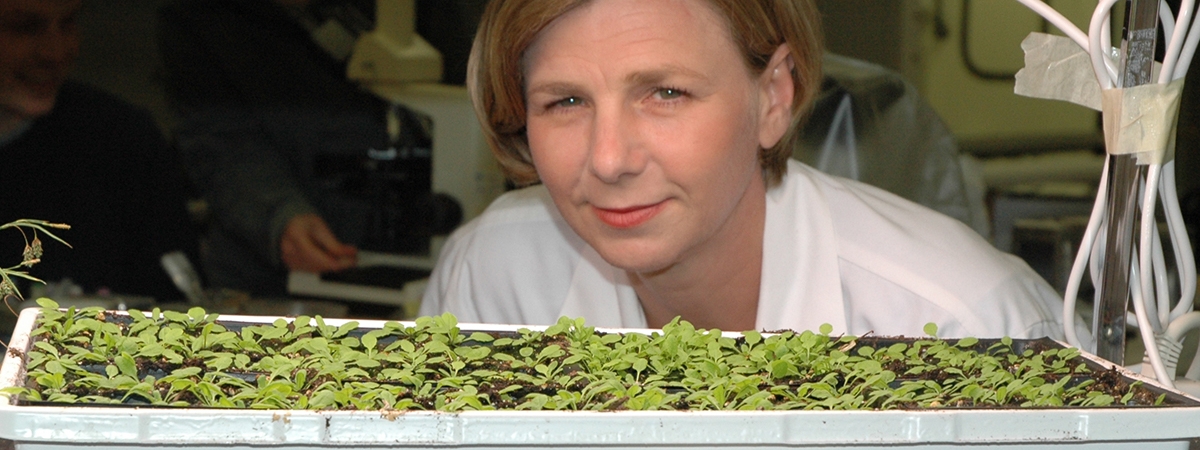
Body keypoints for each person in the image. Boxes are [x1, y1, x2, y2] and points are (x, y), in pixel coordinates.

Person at [418, 0, 1068, 340]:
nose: (609, 160)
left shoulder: (971, 321)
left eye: (666, 93)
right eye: (565, 102)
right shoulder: (493, 277)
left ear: (773, 97)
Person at [159, 0, 407, 297]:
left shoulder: (416, 13)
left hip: (412, 250)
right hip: (269, 275)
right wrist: (279, 217)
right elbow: (219, 138)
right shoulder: (201, 16)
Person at [0, 0, 198, 302]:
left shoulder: (123, 143)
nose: (55, 52)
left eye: (67, 23)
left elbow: (178, 307)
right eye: (22, 27)